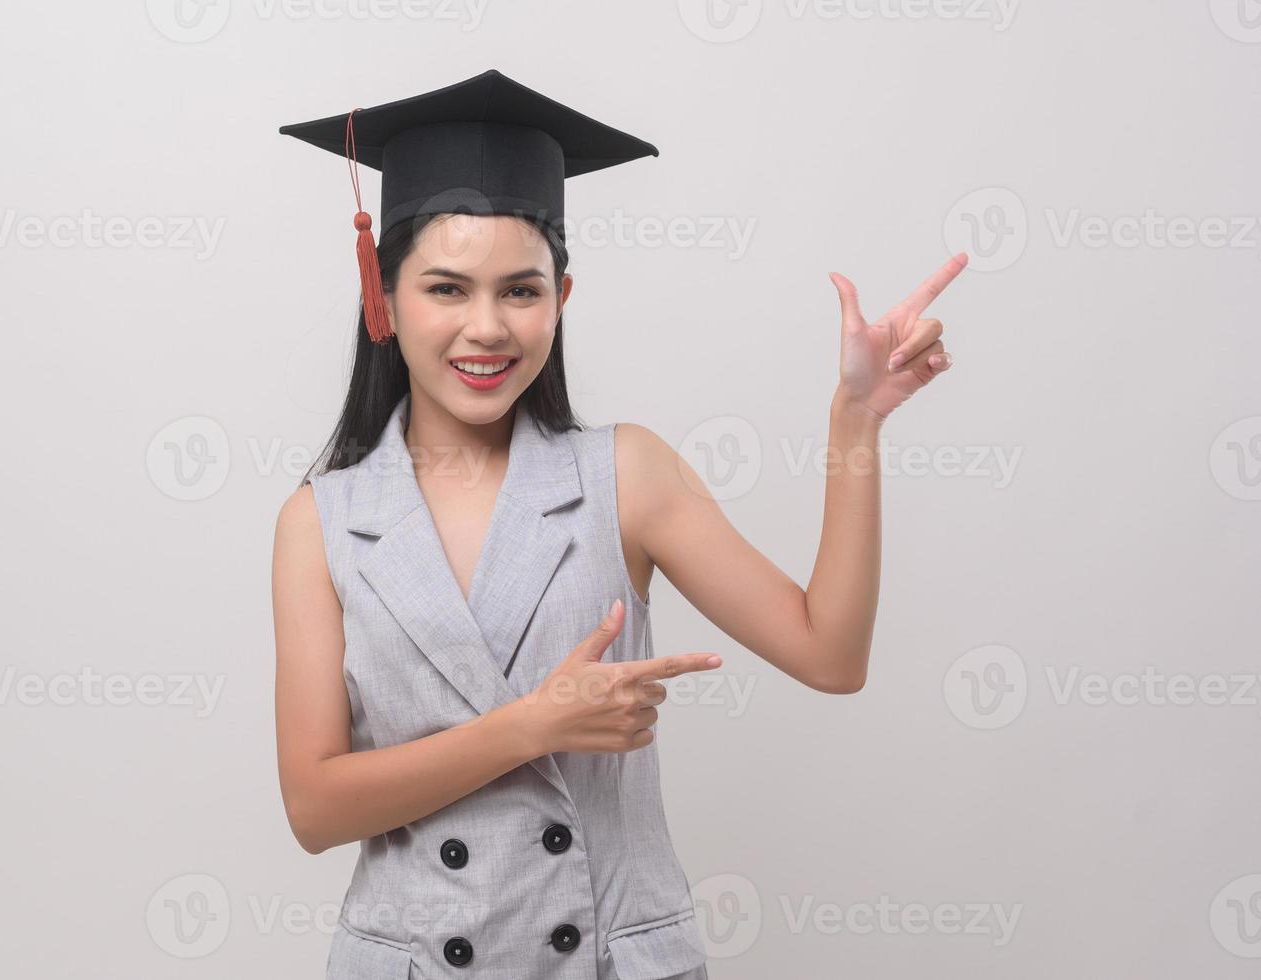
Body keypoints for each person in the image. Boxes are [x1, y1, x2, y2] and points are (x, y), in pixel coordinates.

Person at [271, 68, 966, 979]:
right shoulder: (320, 520)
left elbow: (829, 656)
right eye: (446, 289)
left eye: (520, 291)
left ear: (562, 297)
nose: (486, 327)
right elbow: (315, 809)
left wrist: (856, 425)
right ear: (385, 297)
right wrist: (532, 726)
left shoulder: (626, 473)